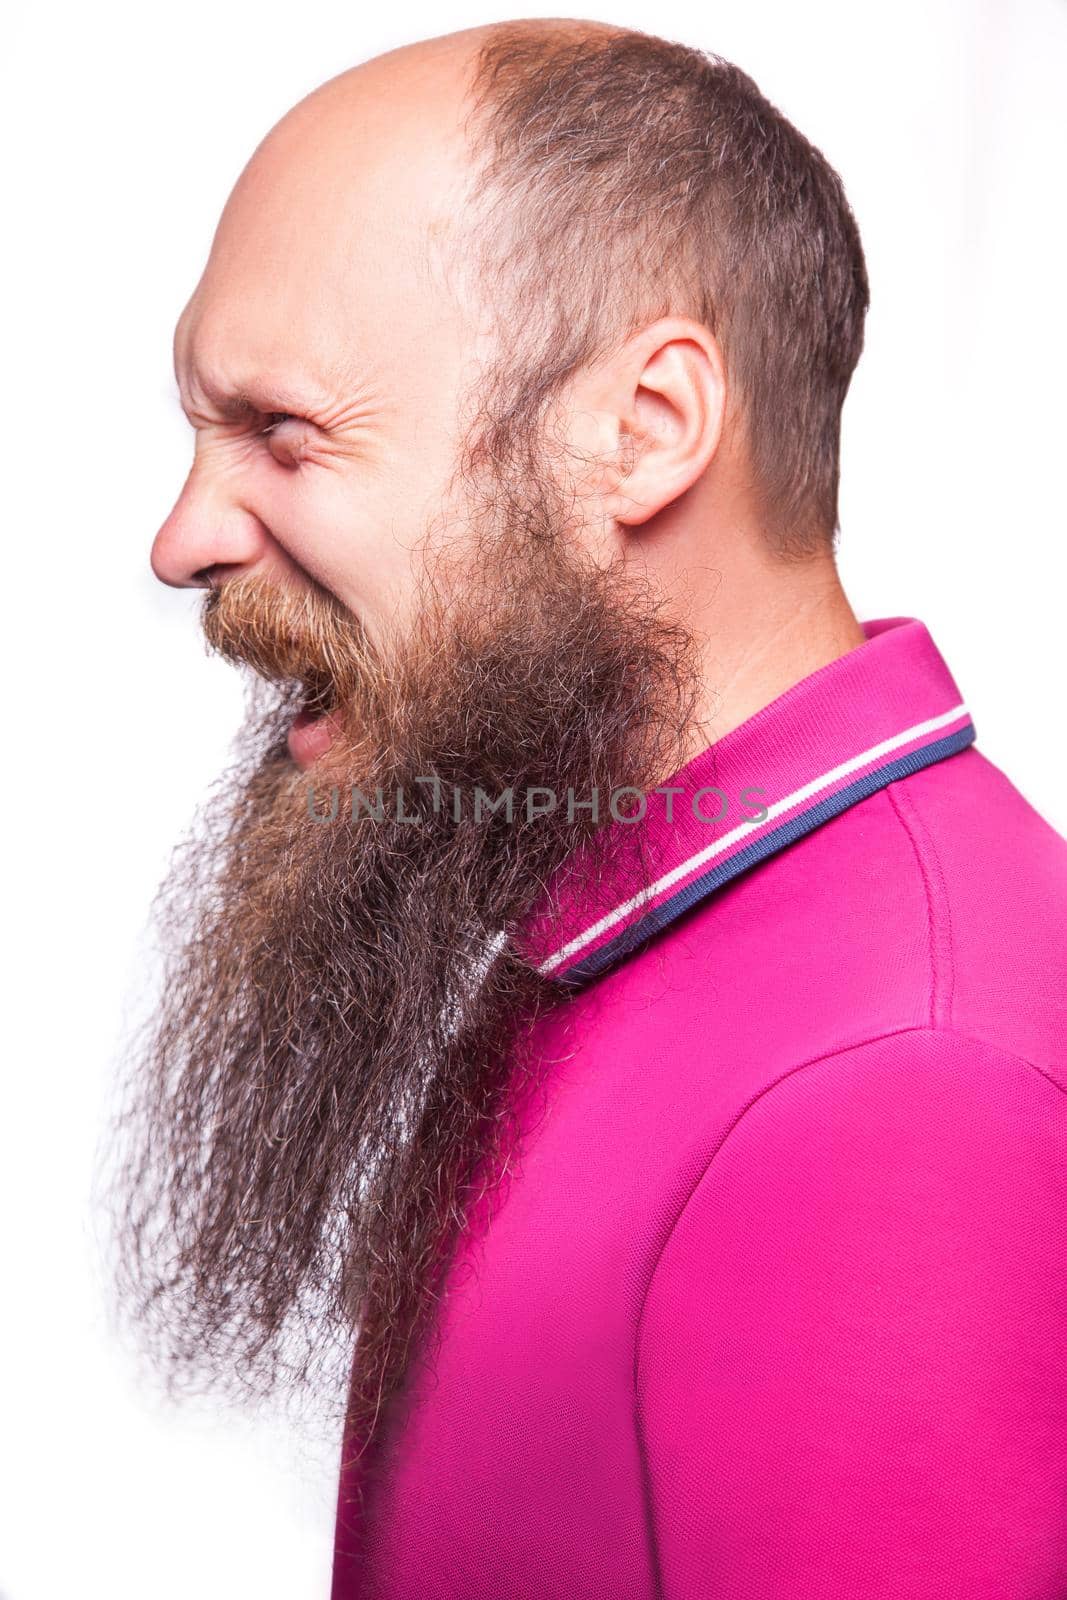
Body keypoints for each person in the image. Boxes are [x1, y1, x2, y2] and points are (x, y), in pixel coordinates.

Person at [107, 16, 1067, 1598]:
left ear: (643, 431)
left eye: (284, 433)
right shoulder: (629, 927)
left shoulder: (899, 1084)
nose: (185, 537)